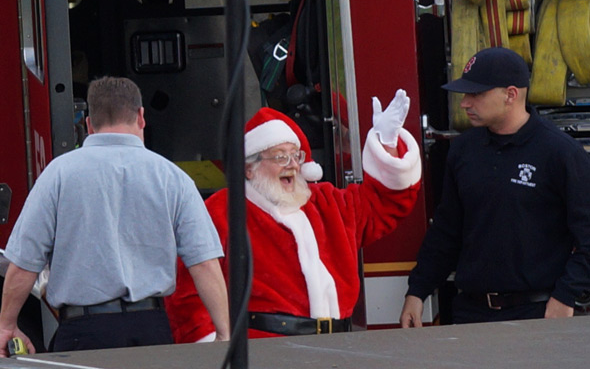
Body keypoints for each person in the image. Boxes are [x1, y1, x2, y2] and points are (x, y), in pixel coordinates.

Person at [165, 89, 422, 342]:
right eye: (280, 156)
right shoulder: (223, 211)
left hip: (341, 345)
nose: (292, 164)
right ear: (250, 168)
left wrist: (387, 145)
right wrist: (210, 347)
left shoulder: (327, 202)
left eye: (295, 155)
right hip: (266, 348)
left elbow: (384, 204)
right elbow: (189, 290)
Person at [0, 76, 230, 356]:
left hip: (83, 332)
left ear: (88, 124)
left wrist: (7, 325)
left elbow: (25, 262)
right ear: (141, 117)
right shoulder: (172, 177)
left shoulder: (58, 174)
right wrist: (224, 333)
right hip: (151, 329)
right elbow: (204, 263)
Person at [400, 47, 590, 327]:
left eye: (475, 94)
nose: (464, 103)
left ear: (510, 95)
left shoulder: (561, 153)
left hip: (538, 315)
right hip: (471, 315)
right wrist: (417, 291)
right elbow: (447, 230)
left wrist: (565, 296)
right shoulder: (463, 151)